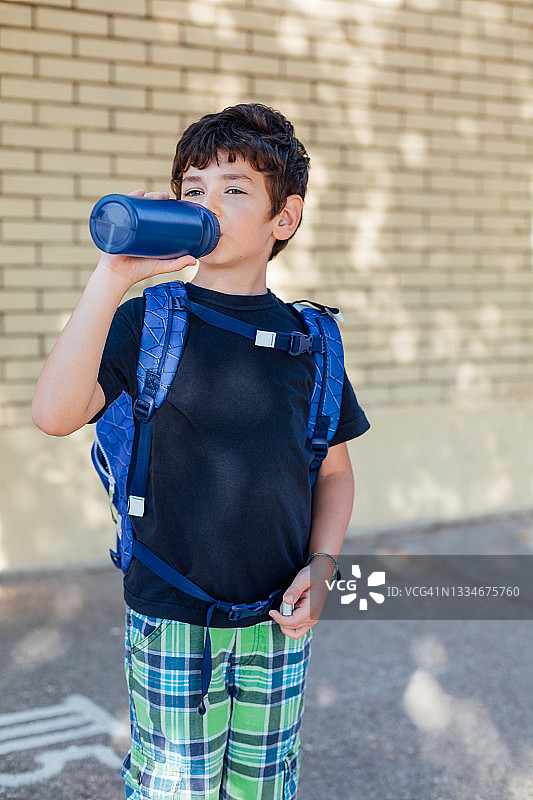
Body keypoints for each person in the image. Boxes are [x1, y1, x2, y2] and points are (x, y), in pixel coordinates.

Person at [32, 103, 370, 800]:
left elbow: (333, 473)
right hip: (169, 615)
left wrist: (324, 564)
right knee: (172, 788)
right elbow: (54, 414)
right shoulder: (146, 319)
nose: (207, 202)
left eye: (234, 188)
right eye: (193, 188)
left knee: (261, 786)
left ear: (285, 218)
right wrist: (115, 274)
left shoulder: (311, 342)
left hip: (275, 619)